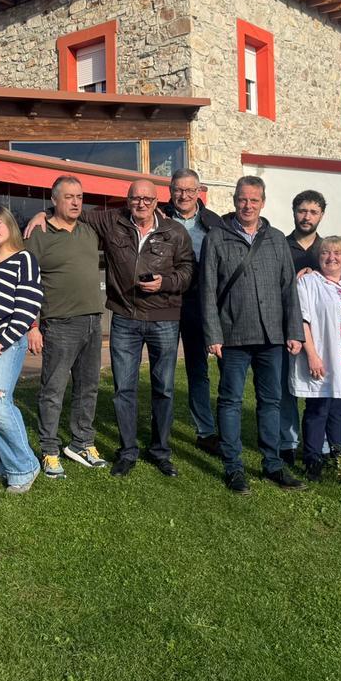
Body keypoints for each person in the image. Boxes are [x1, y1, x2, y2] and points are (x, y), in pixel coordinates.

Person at [78, 180, 195, 478]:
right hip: (125, 318)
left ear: (157, 202)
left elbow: (188, 271)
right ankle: (127, 451)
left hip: (164, 318)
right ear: (127, 199)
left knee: (164, 388)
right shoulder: (112, 221)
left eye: (147, 199)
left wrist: (165, 283)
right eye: (135, 198)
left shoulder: (175, 232)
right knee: (124, 389)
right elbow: (75, 211)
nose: (141, 203)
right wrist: (45, 213)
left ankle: (161, 451)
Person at [201, 176, 305, 494]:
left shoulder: (276, 239)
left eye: (254, 200)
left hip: (272, 336)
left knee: (271, 401)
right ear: (235, 201)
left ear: (263, 202)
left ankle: (272, 463)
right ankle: (233, 467)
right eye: (242, 199)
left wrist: (294, 331)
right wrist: (213, 334)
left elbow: (288, 288)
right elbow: (207, 290)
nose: (247, 206)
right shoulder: (217, 237)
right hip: (232, 335)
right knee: (230, 401)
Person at [24, 176, 109, 479]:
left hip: (92, 320)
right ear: (54, 200)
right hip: (60, 324)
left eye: (79, 197)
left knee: (88, 387)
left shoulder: (88, 230)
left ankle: (82, 443)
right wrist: (32, 325)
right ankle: (49, 449)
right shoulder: (39, 233)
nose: (75, 202)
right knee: (53, 390)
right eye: (69, 197)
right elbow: (27, 280)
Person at [0, 205, 44, 494]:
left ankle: (25, 466)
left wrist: (7, 336)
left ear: (10, 224)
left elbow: (29, 304)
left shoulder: (25, 259)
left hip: (8, 341)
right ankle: (6, 463)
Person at [289, 236, 341, 482]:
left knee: (340, 410)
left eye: (337, 253)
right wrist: (312, 355)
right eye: (325, 252)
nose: (331, 257)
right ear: (319, 256)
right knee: (318, 409)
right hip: (323, 358)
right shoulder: (308, 282)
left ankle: (340, 461)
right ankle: (312, 460)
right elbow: (302, 320)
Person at [161, 168, 225, 457]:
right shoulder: (158, 216)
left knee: (198, 369)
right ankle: (161, 431)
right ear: (170, 191)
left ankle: (205, 431)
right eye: (178, 189)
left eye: (189, 190)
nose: (184, 195)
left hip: (199, 304)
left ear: (199, 192)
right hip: (164, 302)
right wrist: (46, 212)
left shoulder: (214, 222)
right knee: (163, 370)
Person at [279, 189, 328, 466]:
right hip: (285, 328)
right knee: (286, 389)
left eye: (313, 212)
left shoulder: (327, 250)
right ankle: (288, 443)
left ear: (322, 215)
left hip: (320, 334)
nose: (307, 217)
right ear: (294, 212)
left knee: (318, 388)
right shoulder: (279, 246)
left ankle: (319, 445)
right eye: (302, 211)